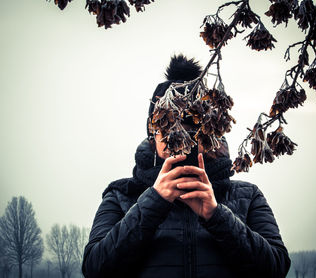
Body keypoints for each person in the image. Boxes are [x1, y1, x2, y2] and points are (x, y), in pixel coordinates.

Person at [82, 55, 291, 278]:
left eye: (191, 127)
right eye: (168, 126)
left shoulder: (247, 197)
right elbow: (95, 269)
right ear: (153, 136)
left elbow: (276, 269)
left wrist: (217, 216)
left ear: (209, 135)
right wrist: (154, 202)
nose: (180, 139)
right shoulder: (120, 195)